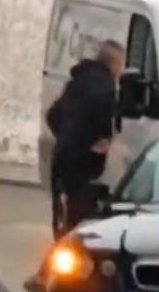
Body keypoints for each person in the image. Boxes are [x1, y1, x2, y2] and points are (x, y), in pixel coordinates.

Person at [46, 40, 124, 238]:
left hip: (63, 155)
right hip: (85, 162)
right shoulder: (106, 88)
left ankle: (61, 245)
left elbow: (52, 115)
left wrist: (66, 136)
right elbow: (105, 124)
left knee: (63, 210)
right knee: (82, 214)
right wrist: (100, 142)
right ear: (114, 63)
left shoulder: (76, 82)